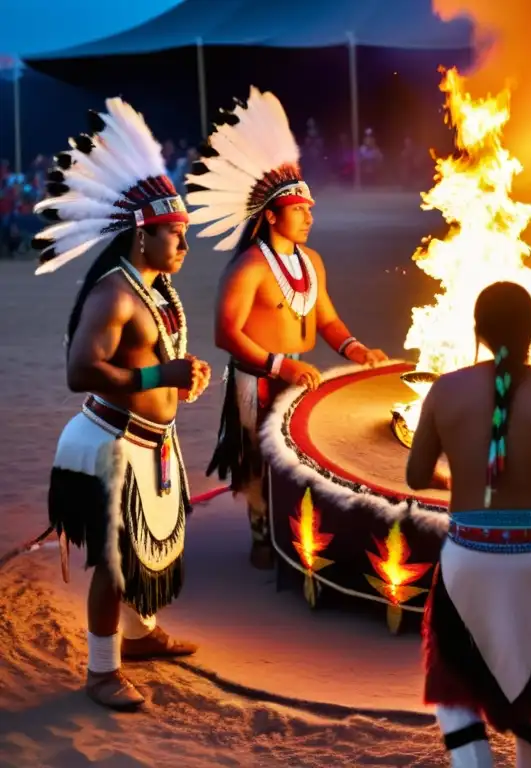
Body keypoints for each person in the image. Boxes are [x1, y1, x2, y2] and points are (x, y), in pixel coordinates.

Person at [34, 99, 212, 711]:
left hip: (150, 442)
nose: (184, 243)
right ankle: (101, 670)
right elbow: (78, 371)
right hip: (109, 443)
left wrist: (182, 378)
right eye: (175, 233)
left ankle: (138, 637)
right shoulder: (114, 295)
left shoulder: (157, 290)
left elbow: (152, 361)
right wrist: (163, 373)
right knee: (113, 563)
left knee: (145, 550)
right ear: (144, 233)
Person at [186, 87, 387, 568]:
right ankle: (262, 539)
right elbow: (226, 333)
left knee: (296, 461)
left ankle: (294, 536)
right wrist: (280, 365)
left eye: (310, 209)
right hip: (255, 380)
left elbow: (326, 319)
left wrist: (357, 350)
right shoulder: (248, 268)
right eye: (299, 210)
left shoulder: (312, 261)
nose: (309, 217)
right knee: (256, 459)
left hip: (298, 374)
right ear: (272, 215)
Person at [407, 281, 531, 768]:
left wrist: (467, 471)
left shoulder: (444, 390)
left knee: (454, 671)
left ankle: (473, 762)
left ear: (476, 331)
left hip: (468, 557)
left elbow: (414, 475)